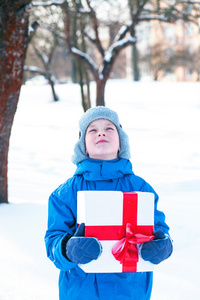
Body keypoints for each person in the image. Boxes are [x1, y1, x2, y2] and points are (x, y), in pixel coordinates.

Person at [45, 106, 173, 300]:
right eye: (92, 130)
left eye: (109, 128)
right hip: (81, 292)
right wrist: (67, 248)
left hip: (130, 290)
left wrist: (162, 245)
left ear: (121, 143)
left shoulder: (141, 189)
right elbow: (53, 240)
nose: (101, 132)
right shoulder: (64, 194)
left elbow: (158, 229)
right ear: (83, 146)